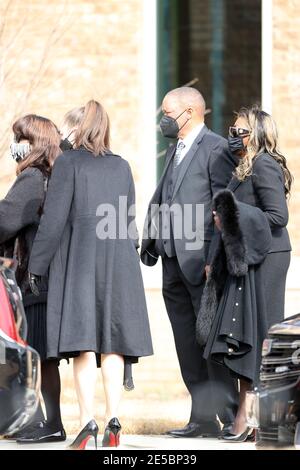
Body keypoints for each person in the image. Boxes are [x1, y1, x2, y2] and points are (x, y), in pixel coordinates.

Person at [28, 100, 153, 449]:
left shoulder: (67, 163)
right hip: (120, 262)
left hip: (82, 261)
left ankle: (88, 424)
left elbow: (52, 222)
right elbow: (129, 224)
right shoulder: (122, 166)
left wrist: (36, 266)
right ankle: (114, 420)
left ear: (80, 130)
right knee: (112, 345)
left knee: (84, 344)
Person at [141, 86, 239, 438]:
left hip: (203, 263)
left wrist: (216, 258)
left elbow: (221, 207)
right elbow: (164, 196)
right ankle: (201, 418)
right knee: (185, 342)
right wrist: (151, 240)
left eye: (168, 113)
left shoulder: (216, 148)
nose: (163, 119)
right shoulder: (175, 148)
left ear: (191, 112)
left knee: (210, 340)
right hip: (171, 261)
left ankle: (230, 417)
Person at [201, 105, 292, 442]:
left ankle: (251, 416)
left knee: (258, 336)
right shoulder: (243, 168)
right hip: (247, 258)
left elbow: (277, 216)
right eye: (232, 129)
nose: (233, 135)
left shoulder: (265, 164)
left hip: (267, 260)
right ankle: (250, 416)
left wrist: (234, 211)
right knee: (244, 335)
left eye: (239, 130)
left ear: (255, 133)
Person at [0, 114, 66, 443]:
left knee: (36, 354)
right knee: (43, 356)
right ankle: (42, 421)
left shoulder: (32, 177)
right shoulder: (54, 174)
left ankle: (47, 424)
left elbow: (6, 219)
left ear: (34, 144)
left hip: (33, 282)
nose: (15, 146)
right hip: (50, 279)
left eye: (20, 139)